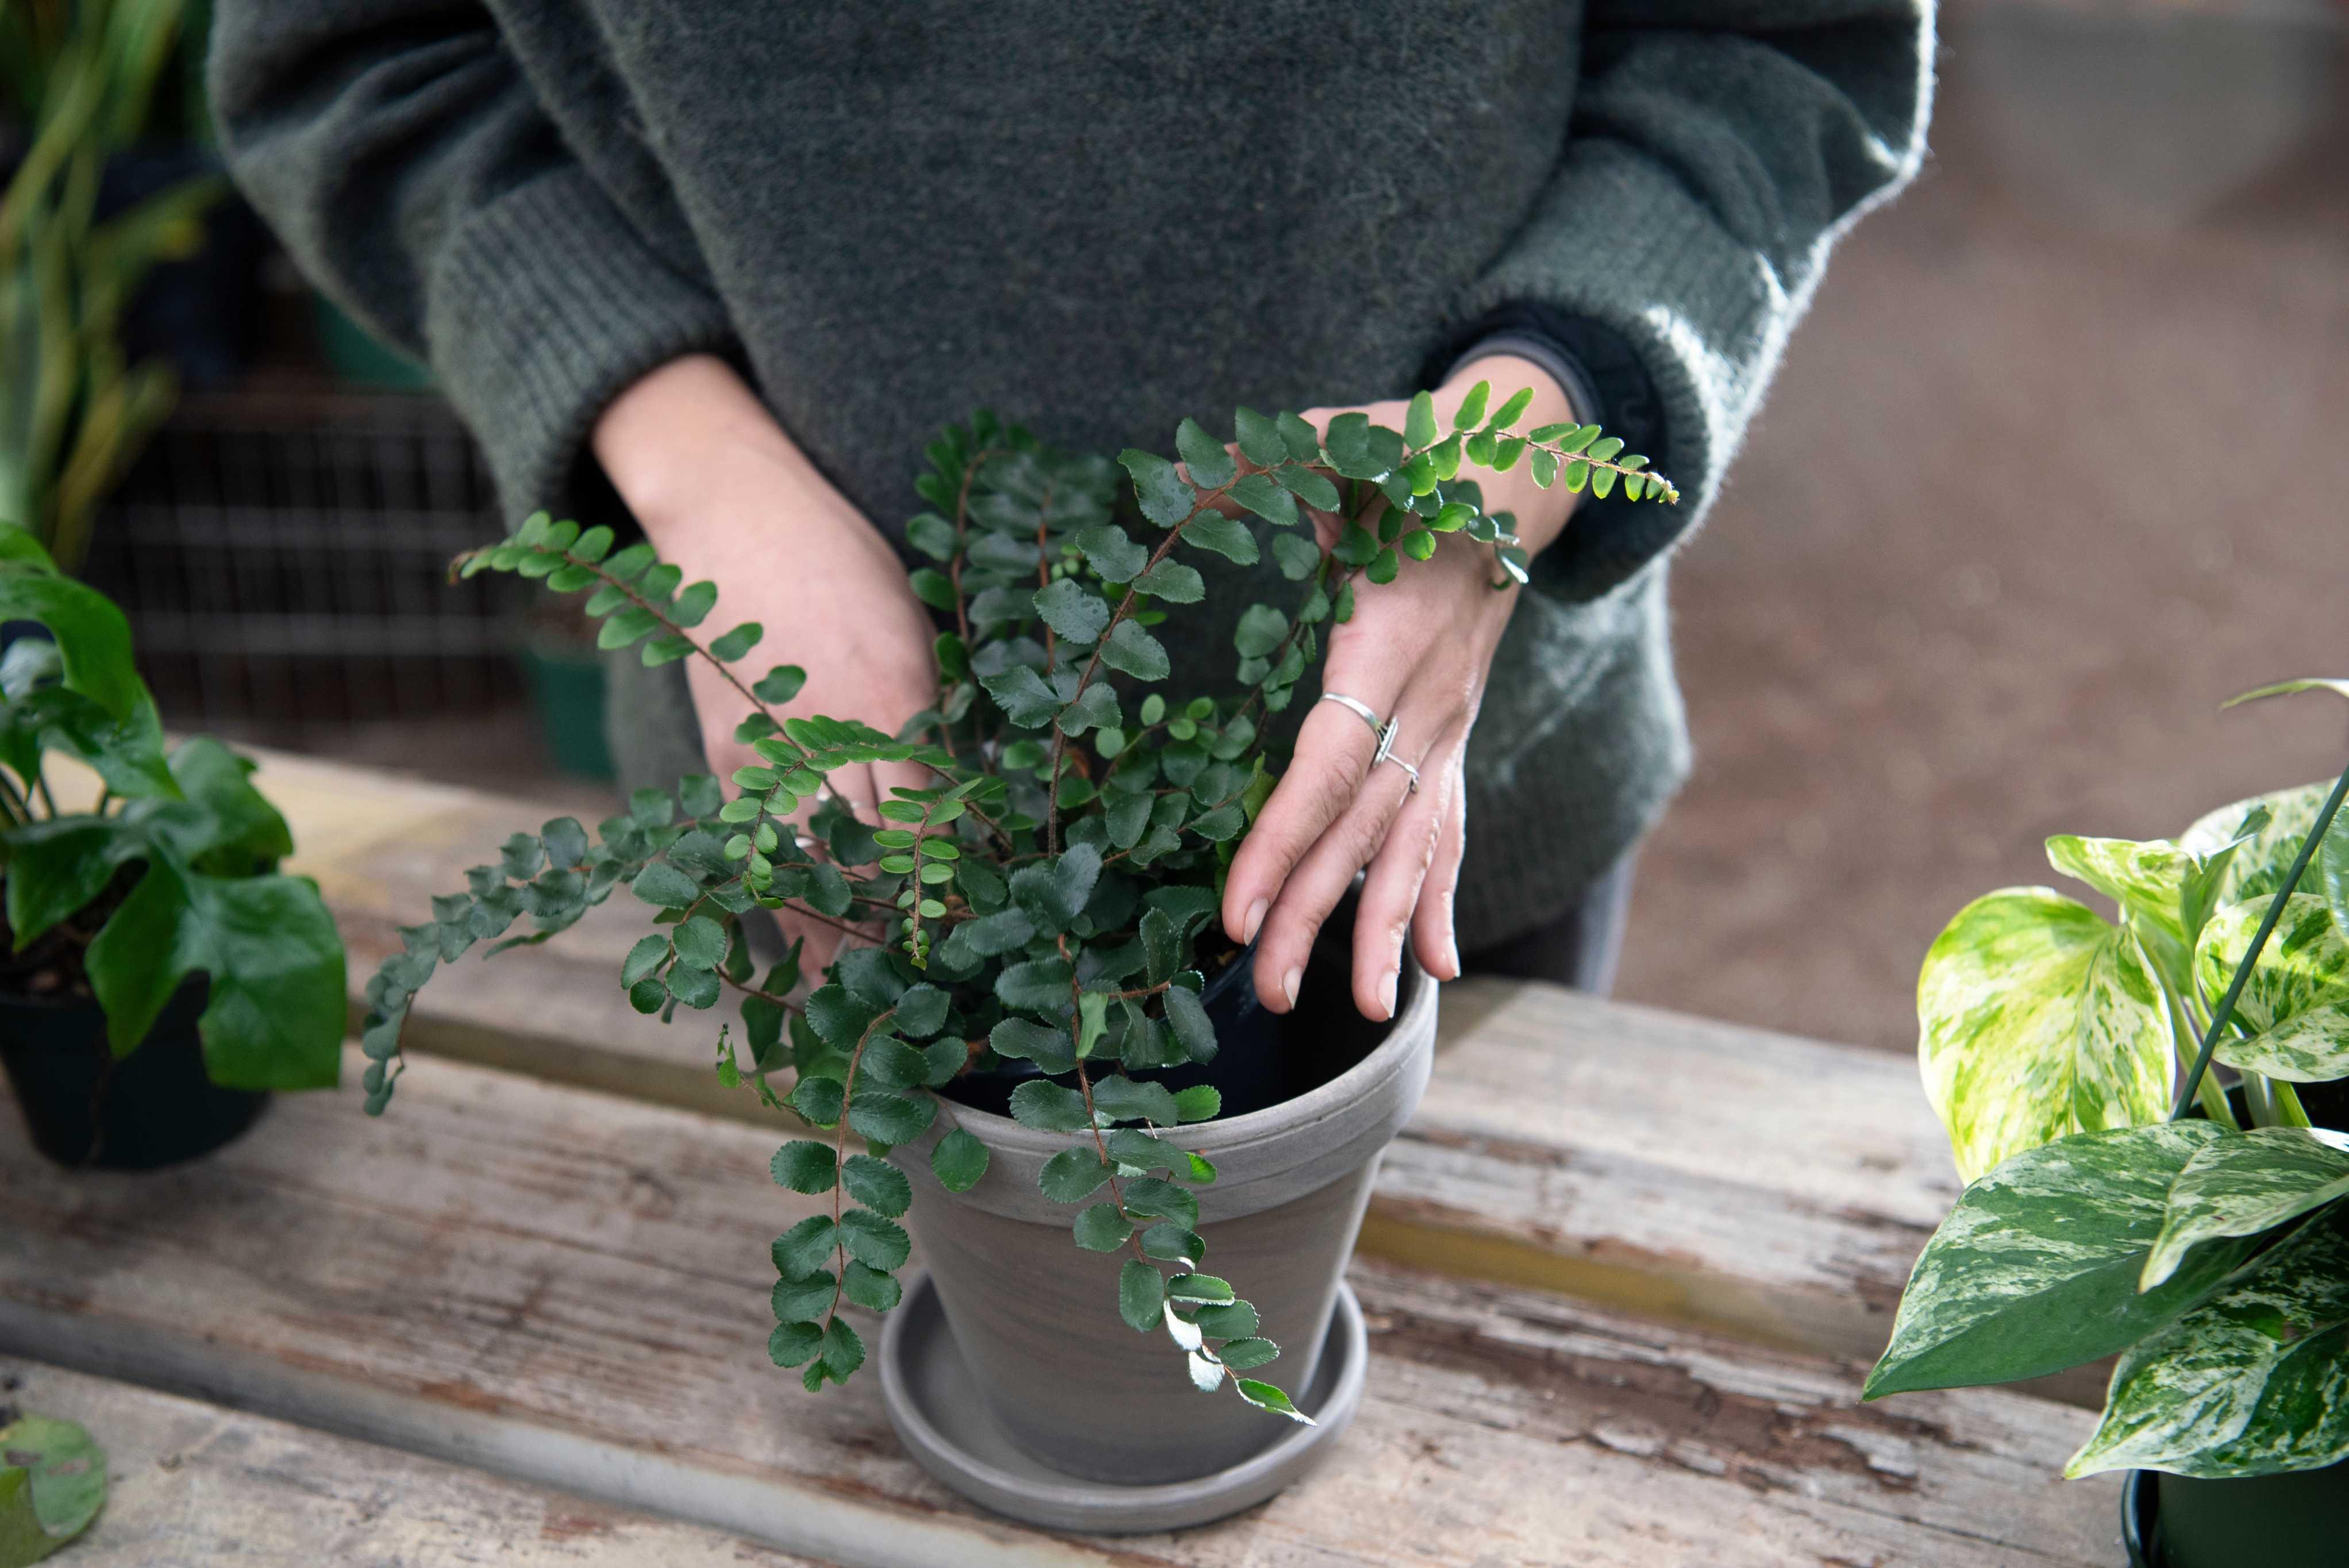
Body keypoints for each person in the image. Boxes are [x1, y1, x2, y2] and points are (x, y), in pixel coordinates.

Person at [210, 3, 1932, 1023]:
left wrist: (1524, 442)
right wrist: (695, 470)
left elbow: (1770, 45)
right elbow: (365, 59)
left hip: (1440, 828)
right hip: (848, 849)